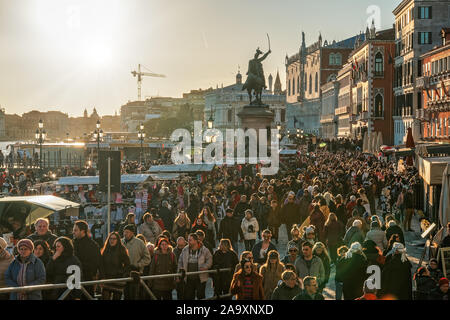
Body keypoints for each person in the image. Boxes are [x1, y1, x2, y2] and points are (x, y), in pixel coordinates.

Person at [177, 233, 212, 300]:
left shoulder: (204, 250)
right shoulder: (185, 249)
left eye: (190, 240)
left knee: (200, 296)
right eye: (188, 240)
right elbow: (180, 262)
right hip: (189, 278)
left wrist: (205, 266)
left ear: (195, 241)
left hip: (200, 278)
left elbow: (210, 259)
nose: (188, 242)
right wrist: (179, 273)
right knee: (189, 296)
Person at [122, 224, 151, 299]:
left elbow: (147, 258)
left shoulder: (139, 243)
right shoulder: (121, 242)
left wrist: (138, 264)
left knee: (135, 295)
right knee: (125, 295)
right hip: (123, 273)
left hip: (136, 273)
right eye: (124, 232)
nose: (125, 234)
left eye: (127, 232)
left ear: (132, 233)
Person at [73, 220, 101, 298]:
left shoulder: (92, 245)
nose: (73, 232)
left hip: (87, 277)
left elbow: (96, 263)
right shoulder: (73, 243)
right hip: (74, 276)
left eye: (75, 230)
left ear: (82, 231)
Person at [99, 232, 131, 300]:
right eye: (110, 238)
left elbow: (127, 264)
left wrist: (124, 274)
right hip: (107, 278)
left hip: (118, 278)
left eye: (114, 239)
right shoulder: (105, 250)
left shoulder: (121, 249)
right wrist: (102, 277)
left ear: (117, 240)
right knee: (105, 297)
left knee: (117, 297)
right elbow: (101, 265)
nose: (112, 240)